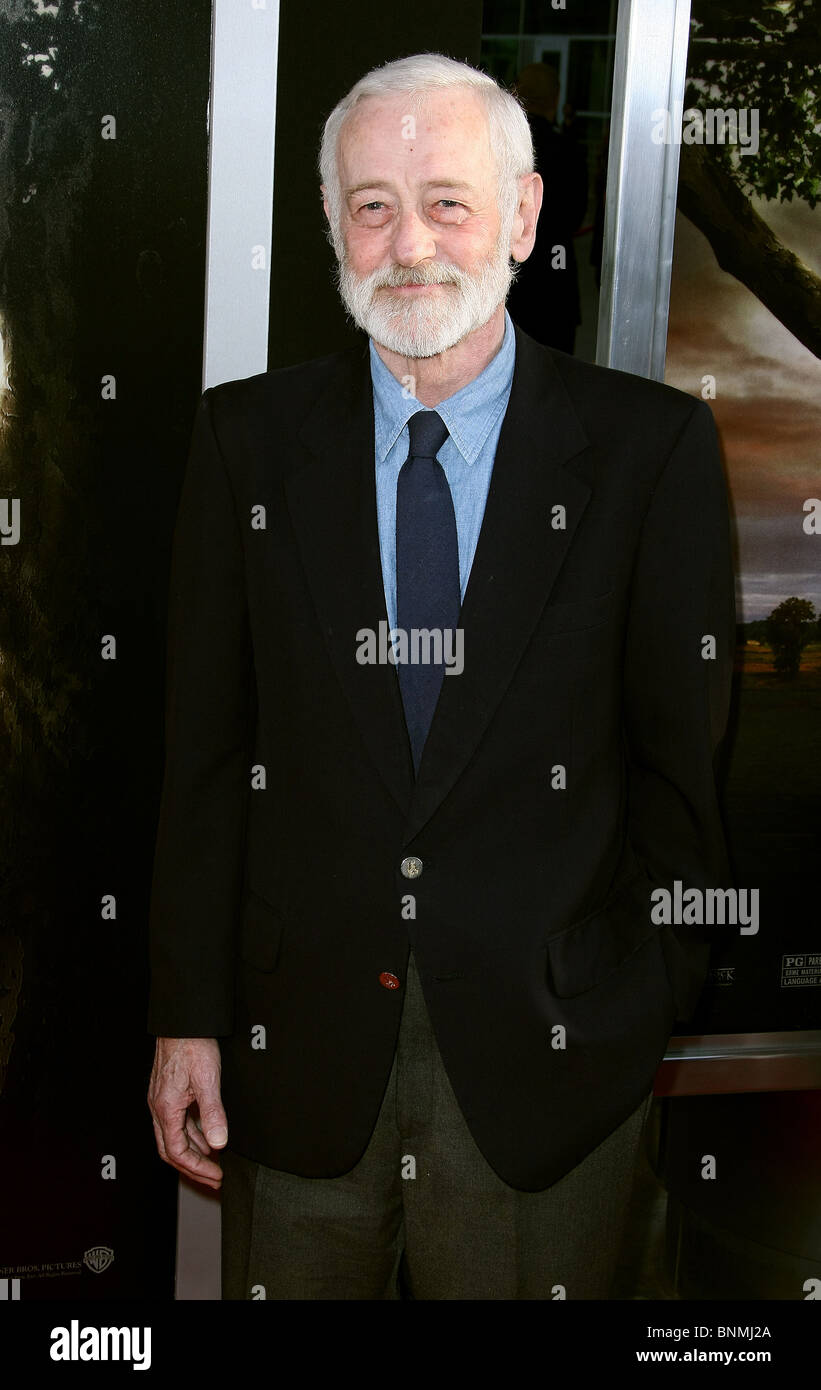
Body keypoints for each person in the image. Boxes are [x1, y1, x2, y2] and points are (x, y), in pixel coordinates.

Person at [146, 53, 734, 1300]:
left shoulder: (648, 455)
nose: (407, 242)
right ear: (329, 222)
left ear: (521, 217)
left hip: (548, 1077)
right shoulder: (241, 444)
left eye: (447, 201)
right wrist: (188, 1014)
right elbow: (204, 761)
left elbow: (684, 788)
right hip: (296, 1067)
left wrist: (629, 1018)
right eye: (371, 204)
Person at [506, 62, 588, 353]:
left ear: (515, 95)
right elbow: (576, 215)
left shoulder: (500, 149)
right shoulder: (570, 150)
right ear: (555, 98)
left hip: (509, 281)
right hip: (555, 286)